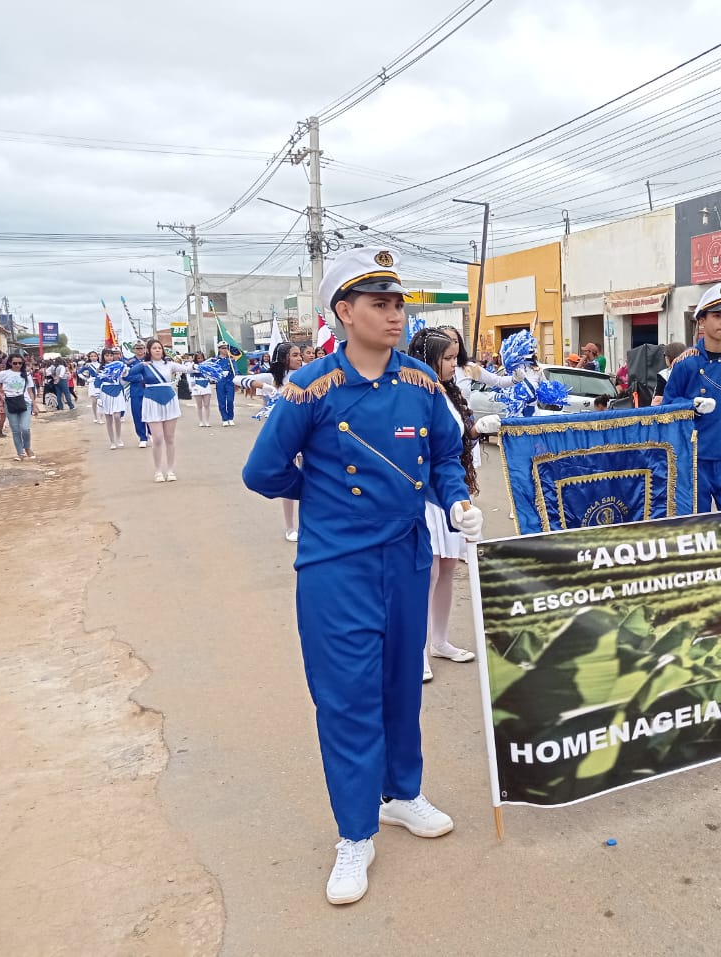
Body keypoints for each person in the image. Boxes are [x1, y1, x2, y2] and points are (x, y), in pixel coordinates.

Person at [242, 248, 482, 906]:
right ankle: (355, 832)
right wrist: (317, 491)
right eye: (379, 303)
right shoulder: (310, 386)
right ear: (344, 312)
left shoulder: (421, 384)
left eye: (399, 302)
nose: (395, 314)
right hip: (335, 566)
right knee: (347, 696)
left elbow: (442, 453)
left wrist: (455, 499)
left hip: (404, 558)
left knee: (402, 683)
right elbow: (261, 471)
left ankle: (402, 792)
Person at [408, 328, 481, 682]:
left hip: (451, 492)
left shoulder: (447, 392)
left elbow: (455, 439)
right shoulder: (412, 393)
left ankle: (440, 640)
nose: (455, 365)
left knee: (449, 567)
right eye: (448, 358)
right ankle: (416, 649)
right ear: (427, 359)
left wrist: (478, 428)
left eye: (455, 357)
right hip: (424, 495)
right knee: (429, 570)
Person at [662, 283, 721, 512]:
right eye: (717, 315)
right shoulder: (686, 363)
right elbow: (667, 404)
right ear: (701, 320)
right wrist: (692, 405)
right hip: (695, 455)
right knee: (698, 525)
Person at [239, 343, 305, 539]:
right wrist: (263, 386)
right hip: (282, 434)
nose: (300, 358)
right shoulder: (272, 378)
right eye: (295, 355)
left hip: (305, 432)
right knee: (290, 479)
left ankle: (308, 524)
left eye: (300, 355)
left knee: (309, 478)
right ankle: (290, 527)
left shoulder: (306, 375)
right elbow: (238, 378)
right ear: (284, 358)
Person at [126, 339, 193, 483]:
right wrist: (141, 365)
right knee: (157, 438)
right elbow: (128, 374)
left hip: (169, 400)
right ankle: (158, 471)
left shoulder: (169, 364)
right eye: (154, 348)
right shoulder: (144, 365)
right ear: (148, 351)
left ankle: (170, 470)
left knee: (170, 438)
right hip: (151, 400)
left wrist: (194, 364)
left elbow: (187, 369)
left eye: (159, 348)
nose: (157, 350)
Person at [0, 354, 37, 460]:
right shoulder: (4, 374)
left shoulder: (26, 374)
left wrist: (34, 405)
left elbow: (30, 391)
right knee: (15, 430)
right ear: (10, 363)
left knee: (25, 428)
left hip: (25, 403)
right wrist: (0, 394)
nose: (18, 365)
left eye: (20, 363)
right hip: (10, 403)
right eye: (15, 363)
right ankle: (20, 453)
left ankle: (27, 447)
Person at [98, 349, 130, 449]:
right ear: (103, 357)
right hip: (105, 392)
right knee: (108, 418)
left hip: (117, 390)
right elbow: (97, 382)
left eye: (111, 355)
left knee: (117, 416)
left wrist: (125, 371)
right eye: (106, 355)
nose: (109, 358)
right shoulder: (100, 369)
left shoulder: (119, 365)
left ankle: (119, 438)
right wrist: (98, 396)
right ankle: (112, 441)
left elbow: (124, 378)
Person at [123, 341, 152, 447]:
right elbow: (125, 376)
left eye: (141, 348)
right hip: (136, 390)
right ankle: (142, 437)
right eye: (137, 348)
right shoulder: (130, 362)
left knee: (151, 413)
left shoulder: (151, 360)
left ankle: (151, 432)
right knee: (137, 414)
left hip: (150, 390)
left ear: (145, 349)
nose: (140, 351)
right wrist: (140, 378)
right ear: (134, 350)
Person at [650, 341, 689, 407]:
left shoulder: (664, 374)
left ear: (667, 358)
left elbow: (657, 401)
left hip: (671, 411)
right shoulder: (693, 371)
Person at [214, 341, 243, 426]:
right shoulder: (216, 360)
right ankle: (224, 418)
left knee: (230, 400)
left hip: (230, 381)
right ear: (219, 349)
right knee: (221, 401)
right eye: (223, 348)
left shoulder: (231, 359)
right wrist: (219, 373)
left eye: (226, 348)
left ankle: (230, 418)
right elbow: (213, 371)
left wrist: (237, 380)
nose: (225, 350)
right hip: (220, 381)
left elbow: (236, 370)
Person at [188, 350, 215, 427]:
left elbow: (211, 376)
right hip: (197, 385)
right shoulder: (193, 366)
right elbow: (191, 377)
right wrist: (192, 387)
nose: (200, 359)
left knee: (207, 405)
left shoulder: (207, 365)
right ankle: (201, 421)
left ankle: (207, 421)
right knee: (199, 405)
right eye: (198, 358)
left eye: (201, 358)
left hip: (206, 385)